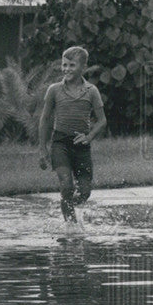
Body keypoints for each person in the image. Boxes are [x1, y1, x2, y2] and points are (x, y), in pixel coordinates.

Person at [38, 46, 107, 225]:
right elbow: (44, 120)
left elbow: (102, 121)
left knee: (85, 192)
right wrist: (42, 150)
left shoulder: (91, 91)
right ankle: (70, 225)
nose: (66, 69)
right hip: (60, 142)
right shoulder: (54, 90)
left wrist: (89, 137)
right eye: (64, 65)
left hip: (81, 145)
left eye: (72, 65)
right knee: (66, 184)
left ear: (83, 67)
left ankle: (67, 205)